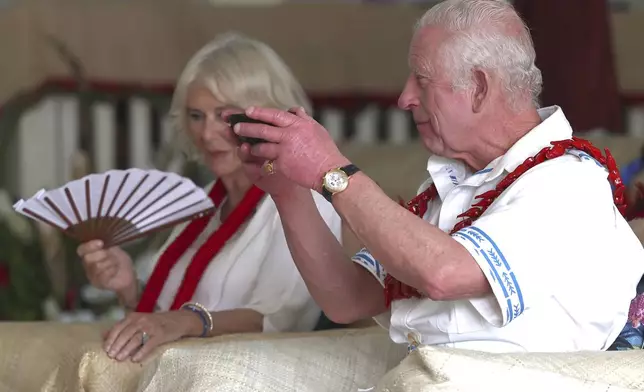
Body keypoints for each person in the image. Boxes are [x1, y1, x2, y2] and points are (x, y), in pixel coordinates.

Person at [233, 0, 644, 353]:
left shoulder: (567, 182)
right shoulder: (450, 187)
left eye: (422, 80)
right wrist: (289, 190)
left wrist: (331, 170)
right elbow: (349, 299)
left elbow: (445, 273)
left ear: (479, 88)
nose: (404, 98)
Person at [77, 32, 348, 362]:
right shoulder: (204, 203)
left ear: (267, 115)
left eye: (224, 115)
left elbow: (284, 318)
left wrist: (189, 320)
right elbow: (164, 321)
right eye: (196, 116)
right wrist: (128, 286)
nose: (206, 134)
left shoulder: (307, 199)